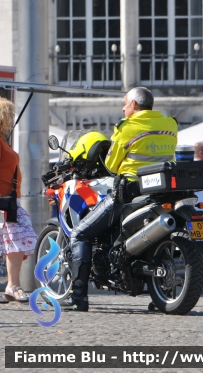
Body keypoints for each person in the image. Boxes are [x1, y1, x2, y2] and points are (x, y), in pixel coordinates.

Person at [62, 86, 178, 311]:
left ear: (134, 105)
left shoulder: (127, 127)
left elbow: (111, 165)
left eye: (125, 104)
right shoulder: (170, 124)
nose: (123, 108)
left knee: (81, 233)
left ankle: (78, 298)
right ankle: (157, 293)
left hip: (130, 191)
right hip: (161, 190)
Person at [0, 97, 37, 303]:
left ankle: (12, 286)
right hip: (3, 200)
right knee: (18, 239)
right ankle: (13, 285)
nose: (12, 119)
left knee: (14, 242)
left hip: (9, 200)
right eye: (9, 114)